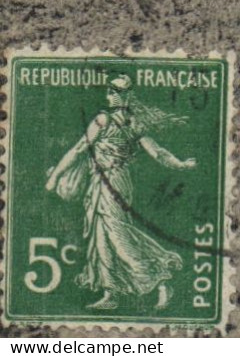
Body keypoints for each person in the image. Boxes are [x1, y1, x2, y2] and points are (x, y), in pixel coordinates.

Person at [44, 74, 196, 311]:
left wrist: (54, 177)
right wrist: (180, 163)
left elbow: (80, 148)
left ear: (125, 95)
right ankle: (110, 293)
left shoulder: (106, 121)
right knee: (102, 236)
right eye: (111, 90)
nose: (112, 94)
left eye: (116, 91)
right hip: (104, 182)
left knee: (118, 235)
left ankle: (160, 280)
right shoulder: (130, 123)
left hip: (112, 183)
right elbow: (157, 152)